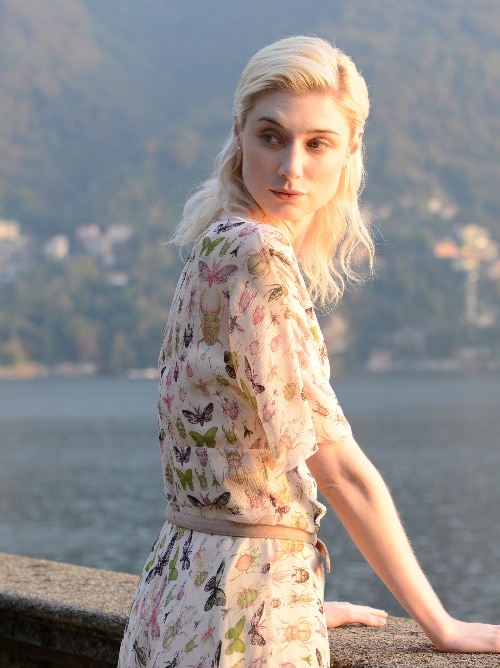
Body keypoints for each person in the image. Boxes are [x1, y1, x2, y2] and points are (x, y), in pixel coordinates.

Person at [118, 36, 500, 667]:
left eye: (316, 143)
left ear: (350, 151)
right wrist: (443, 624)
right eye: (272, 137)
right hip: (245, 613)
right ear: (239, 135)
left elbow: (221, 463)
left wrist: (300, 593)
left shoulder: (215, 245)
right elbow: (339, 469)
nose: (292, 167)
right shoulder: (258, 255)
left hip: (181, 592)